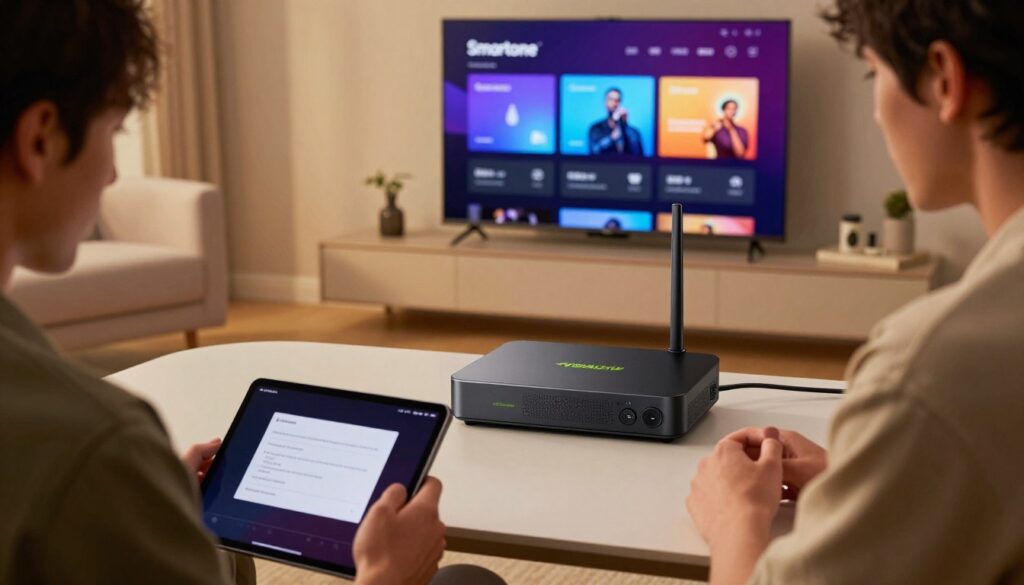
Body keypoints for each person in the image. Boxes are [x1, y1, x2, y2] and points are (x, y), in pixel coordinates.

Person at [0, 2, 505, 585]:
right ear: (39, 138)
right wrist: (387, 576)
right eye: (113, 132)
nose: (113, 174)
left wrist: (145, 505)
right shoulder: (94, 445)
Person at [687, 1, 1024, 584]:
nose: (874, 110)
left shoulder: (927, 369)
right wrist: (874, 472)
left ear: (945, 79)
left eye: (875, 73)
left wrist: (734, 516)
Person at [588, 87, 645, 156]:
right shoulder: (595, 128)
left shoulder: (633, 132)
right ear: (605, 102)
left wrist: (624, 127)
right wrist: (612, 138)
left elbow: (638, 155)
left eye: (617, 100)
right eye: (611, 100)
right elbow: (594, 151)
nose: (614, 104)